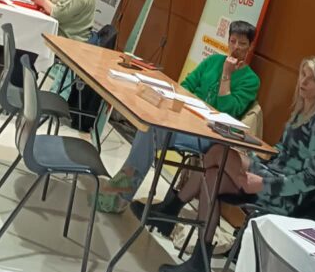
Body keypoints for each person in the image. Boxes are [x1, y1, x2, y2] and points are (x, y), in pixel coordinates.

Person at [156, 56, 315, 272]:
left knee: (218, 154)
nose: (303, 82)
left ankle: (171, 212)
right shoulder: (299, 113)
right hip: (269, 173)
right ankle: (198, 264)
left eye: (311, 79)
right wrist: (251, 149)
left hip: (283, 195)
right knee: (213, 171)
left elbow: (309, 180)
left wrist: (262, 183)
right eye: (303, 74)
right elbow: (280, 155)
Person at [98, 22, 260, 212]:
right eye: (232, 41)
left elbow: (227, 111)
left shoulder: (251, 80)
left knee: (150, 132)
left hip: (209, 136)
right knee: (150, 127)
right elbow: (186, 86)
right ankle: (121, 192)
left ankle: (119, 194)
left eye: (242, 43)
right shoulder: (213, 60)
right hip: (185, 122)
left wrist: (226, 74)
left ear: (250, 46)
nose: (236, 47)